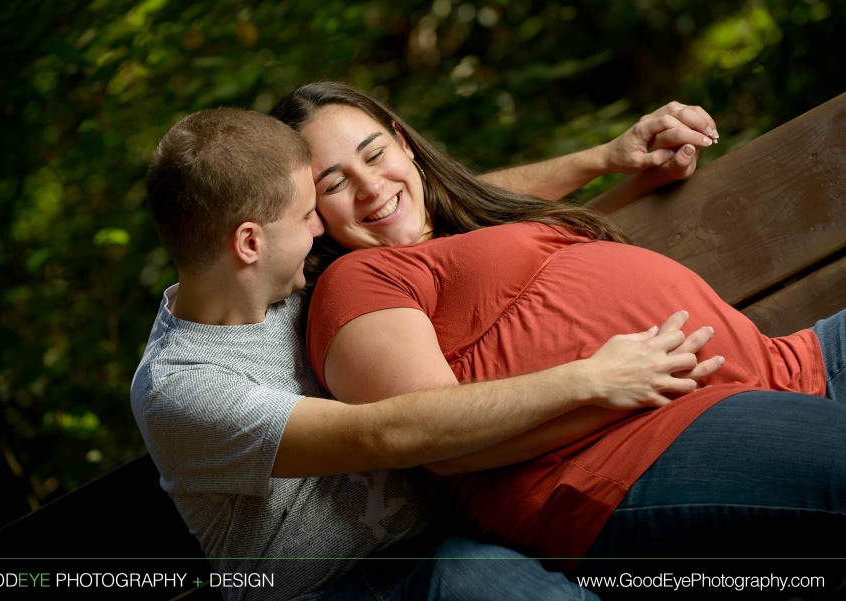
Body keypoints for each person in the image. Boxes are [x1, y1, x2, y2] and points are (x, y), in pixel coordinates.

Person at [131, 107, 723, 601]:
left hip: (463, 519)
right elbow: (383, 433)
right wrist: (591, 379)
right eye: (308, 211)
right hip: (342, 585)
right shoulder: (184, 388)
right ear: (250, 242)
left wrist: (609, 161)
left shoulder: (276, 281)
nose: (320, 226)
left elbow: (445, 219)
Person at [270, 81, 846, 573]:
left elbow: (493, 216)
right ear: (310, 212)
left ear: (402, 141)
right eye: (334, 184)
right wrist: (593, 381)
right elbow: (429, 435)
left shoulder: (460, 235)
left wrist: (632, 170)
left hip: (784, 366)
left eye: (374, 155)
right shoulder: (356, 279)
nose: (370, 187)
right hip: (631, 457)